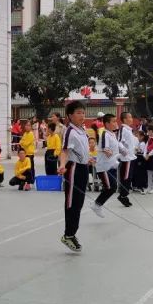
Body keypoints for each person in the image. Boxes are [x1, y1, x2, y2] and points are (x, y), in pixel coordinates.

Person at [58, 101, 90, 252]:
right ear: (70, 115)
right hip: (73, 168)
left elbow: (81, 149)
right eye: (78, 113)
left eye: (83, 112)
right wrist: (62, 165)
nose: (82, 115)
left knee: (79, 202)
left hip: (83, 168)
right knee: (72, 202)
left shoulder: (82, 130)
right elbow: (64, 151)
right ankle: (68, 234)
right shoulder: (70, 131)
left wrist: (87, 158)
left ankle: (72, 233)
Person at [91, 113, 121, 217]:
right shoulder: (104, 134)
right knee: (110, 187)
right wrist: (116, 155)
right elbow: (106, 149)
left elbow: (117, 147)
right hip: (104, 166)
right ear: (107, 124)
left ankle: (97, 204)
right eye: (113, 121)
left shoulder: (113, 134)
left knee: (112, 187)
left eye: (115, 121)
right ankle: (96, 205)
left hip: (112, 165)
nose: (115, 123)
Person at [116, 112, 137, 205]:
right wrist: (124, 151)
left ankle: (124, 195)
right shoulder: (123, 129)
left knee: (129, 178)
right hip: (126, 158)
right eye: (130, 117)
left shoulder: (129, 130)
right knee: (125, 178)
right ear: (124, 119)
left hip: (131, 157)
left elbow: (129, 143)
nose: (131, 119)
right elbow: (119, 142)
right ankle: (123, 195)